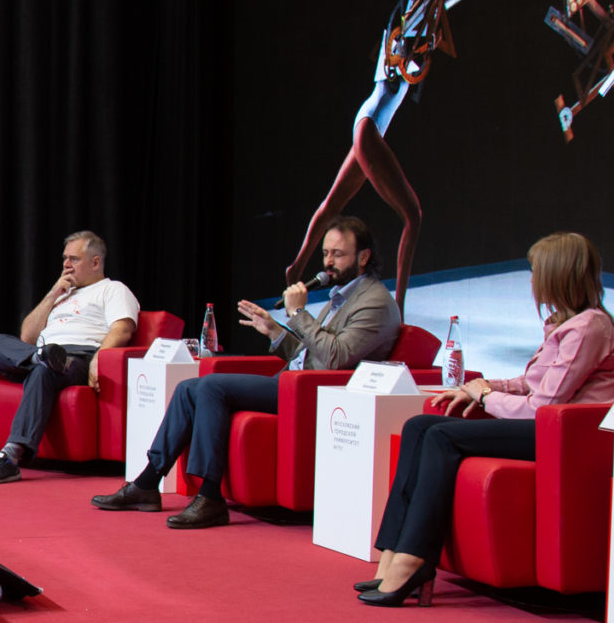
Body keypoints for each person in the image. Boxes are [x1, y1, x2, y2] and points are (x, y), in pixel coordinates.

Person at [361, 232, 614, 607]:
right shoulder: (567, 323)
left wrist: (486, 396)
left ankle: (414, 559)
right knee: (418, 427)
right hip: (547, 427)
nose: (532, 281)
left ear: (556, 275)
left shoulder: (588, 327)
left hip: (567, 437)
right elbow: (534, 382)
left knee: (441, 437)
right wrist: (482, 386)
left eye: (535, 272)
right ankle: (391, 552)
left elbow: (545, 405)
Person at [93, 217, 404, 527]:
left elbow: (336, 358)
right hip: (295, 384)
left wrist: (297, 313)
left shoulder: (374, 302)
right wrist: (274, 331)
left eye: (338, 254)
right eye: (325, 253)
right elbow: (313, 352)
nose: (328, 263)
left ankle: (210, 496)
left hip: (317, 394)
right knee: (189, 388)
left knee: (212, 387)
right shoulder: (342, 296)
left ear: (363, 257)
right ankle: (148, 482)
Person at [0, 231, 142, 484]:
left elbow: (122, 329)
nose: (66, 264)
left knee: (44, 370)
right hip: (41, 354)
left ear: (95, 262)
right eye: (65, 258)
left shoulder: (113, 289)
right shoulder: (62, 294)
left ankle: (11, 457)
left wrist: (100, 358)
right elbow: (27, 336)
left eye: (74, 259)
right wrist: (53, 293)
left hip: (78, 357)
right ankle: (40, 358)